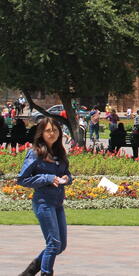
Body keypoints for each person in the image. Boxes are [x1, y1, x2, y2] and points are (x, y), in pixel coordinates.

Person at [17, 117, 73, 276]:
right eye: (48, 130)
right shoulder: (35, 153)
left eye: (55, 130)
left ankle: (30, 271)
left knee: (60, 246)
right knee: (53, 244)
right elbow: (22, 179)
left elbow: (66, 173)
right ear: (41, 133)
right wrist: (47, 178)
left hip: (57, 204)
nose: (52, 133)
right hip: (43, 203)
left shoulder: (59, 152)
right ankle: (46, 273)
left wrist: (67, 179)